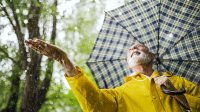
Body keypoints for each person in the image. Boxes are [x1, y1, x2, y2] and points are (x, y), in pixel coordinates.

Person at [25, 39, 200, 112]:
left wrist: (178, 94)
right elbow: (94, 104)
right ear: (128, 64)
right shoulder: (120, 93)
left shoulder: (179, 81)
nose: (133, 48)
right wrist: (63, 59)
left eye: (139, 46)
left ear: (152, 55)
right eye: (130, 49)